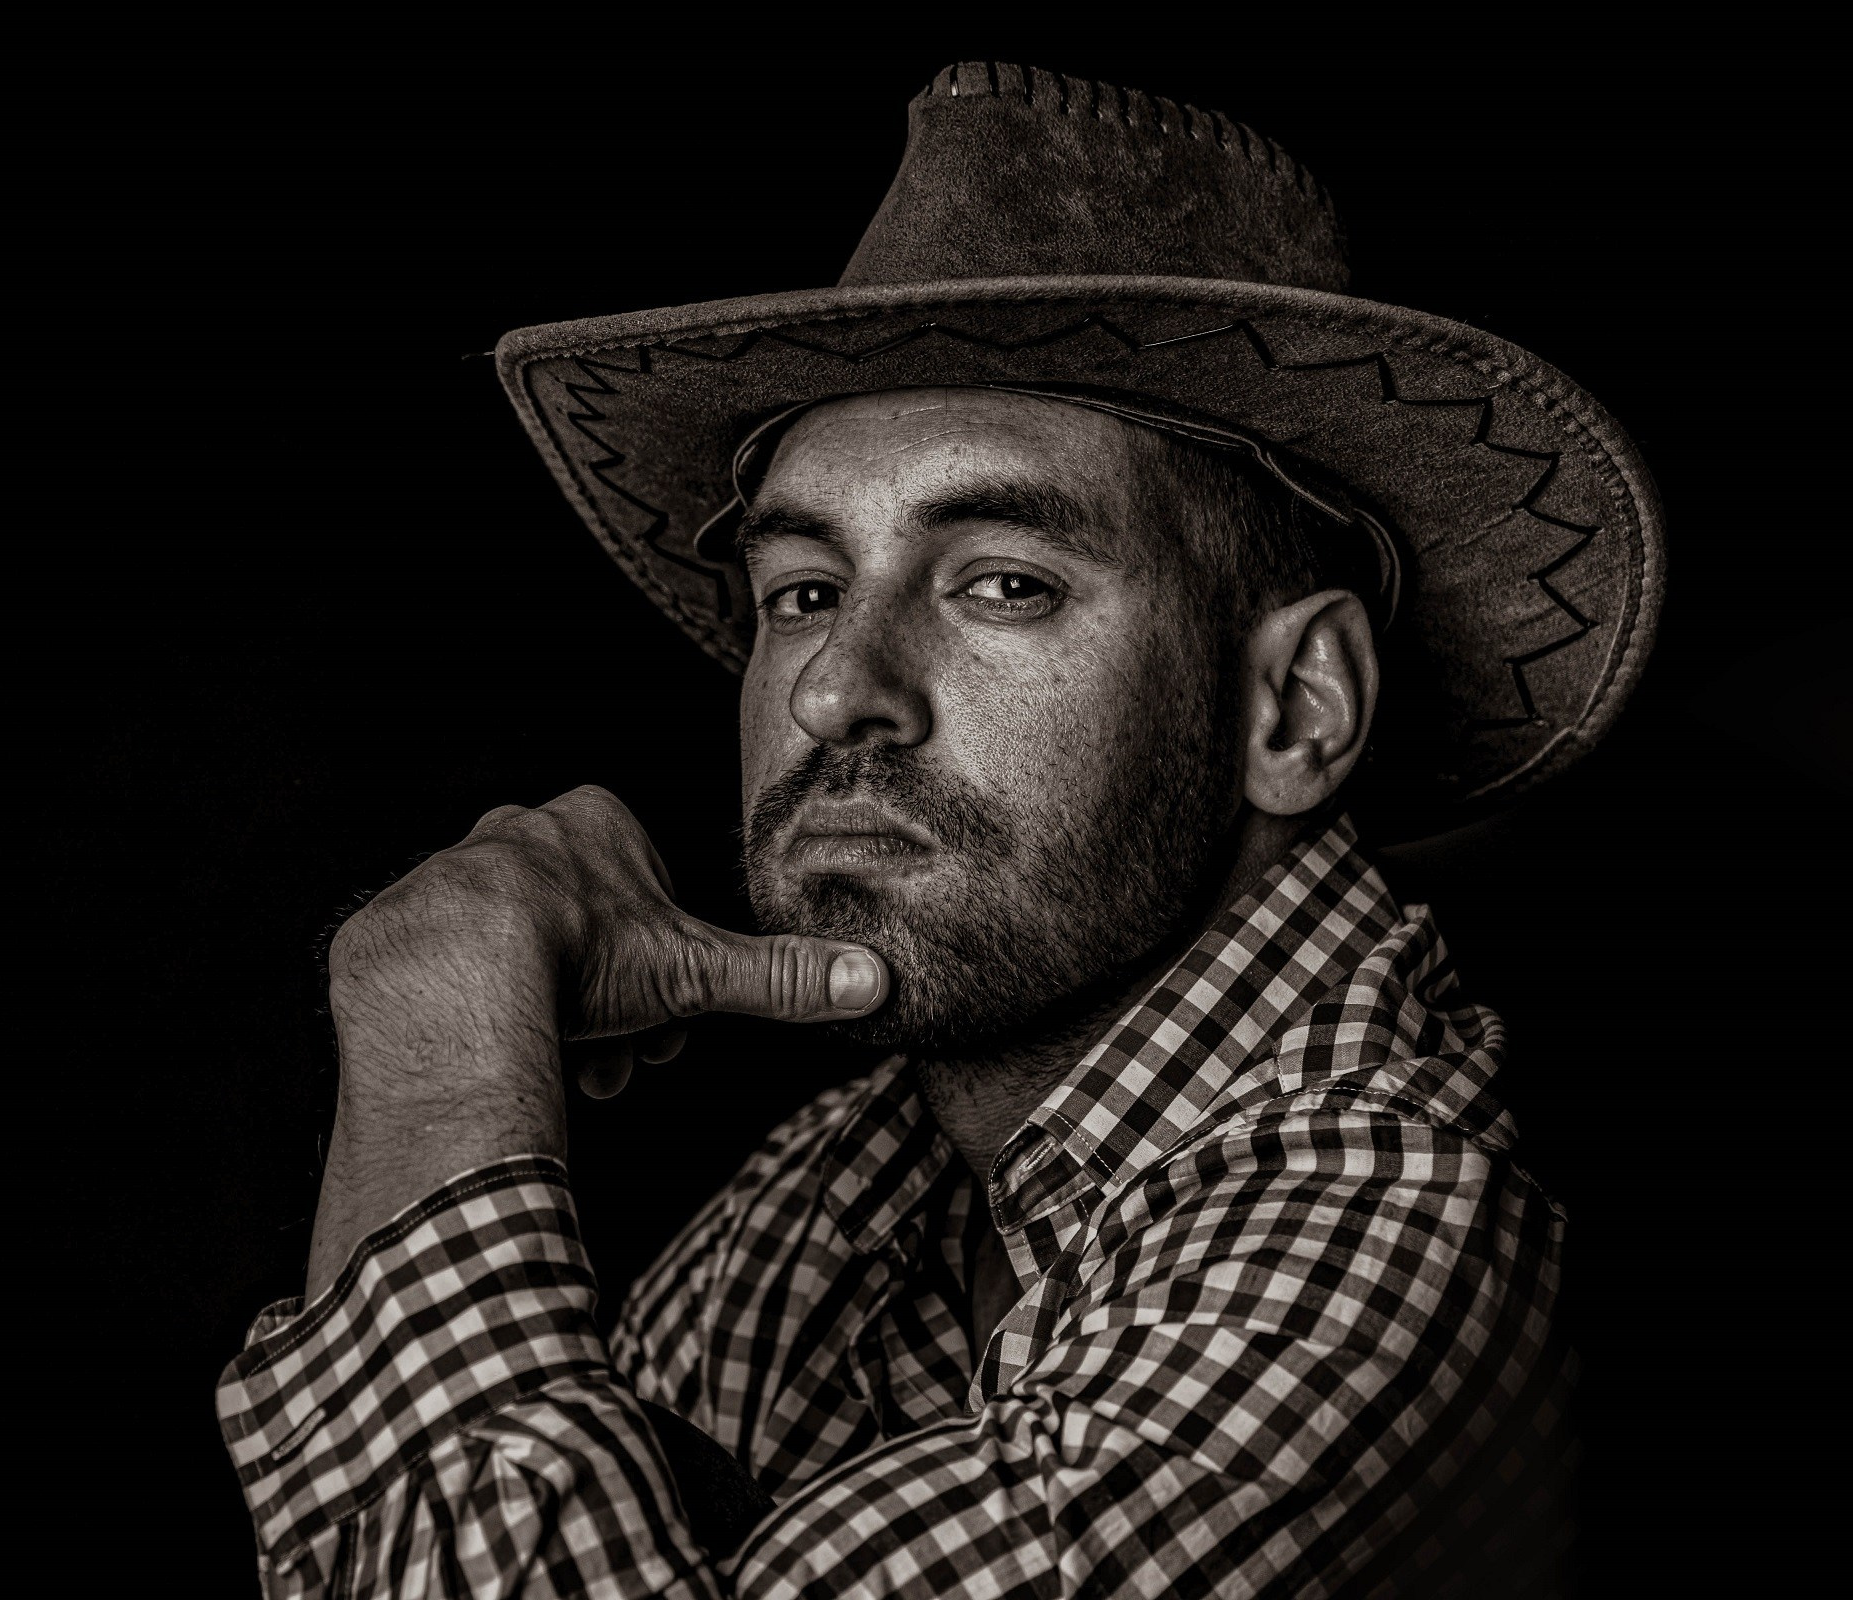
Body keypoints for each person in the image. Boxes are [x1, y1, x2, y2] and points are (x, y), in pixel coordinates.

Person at [218, 63, 1662, 1597]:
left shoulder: (1384, 1255)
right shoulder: (859, 1176)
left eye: (1003, 583)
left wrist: (437, 1035)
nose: (841, 687)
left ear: (1292, 709)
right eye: (804, 592)